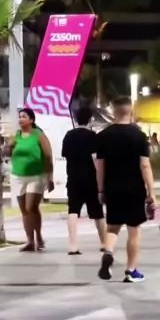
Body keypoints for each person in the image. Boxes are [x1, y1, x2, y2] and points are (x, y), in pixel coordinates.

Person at [95, 96, 156, 283]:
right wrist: (151, 193)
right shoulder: (139, 136)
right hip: (134, 188)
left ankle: (108, 252)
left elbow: (99, 166)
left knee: (113, 226)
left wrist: (100, 190)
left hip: (112, 188)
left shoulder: (103, 136)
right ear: (131, 110)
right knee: (134, 230)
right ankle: (131, 270)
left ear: (113, 111)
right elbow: (145, 165)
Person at [61, 106, 106, 255]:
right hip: (90, 178)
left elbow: (66, 155)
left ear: (76, 119)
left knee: (73, 210)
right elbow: (95, 158)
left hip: (73, 177)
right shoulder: (93, 136)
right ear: (90, 120)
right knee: (97, 211)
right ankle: (104, 242)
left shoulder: (69, 135)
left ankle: (73, 245)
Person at [9, 108, 54, 251]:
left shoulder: (38, 135)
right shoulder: (16, 136)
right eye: (19, 116)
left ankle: (39, 237)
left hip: (36, 176)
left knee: (31, 207)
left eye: (24, 116)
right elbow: (8, 151)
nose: (20, 119)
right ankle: (30, 241)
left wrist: (50, 177)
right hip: (18, 176)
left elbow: (48, 156)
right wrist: (7, 148)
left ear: (31, 120)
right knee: (24, 210)